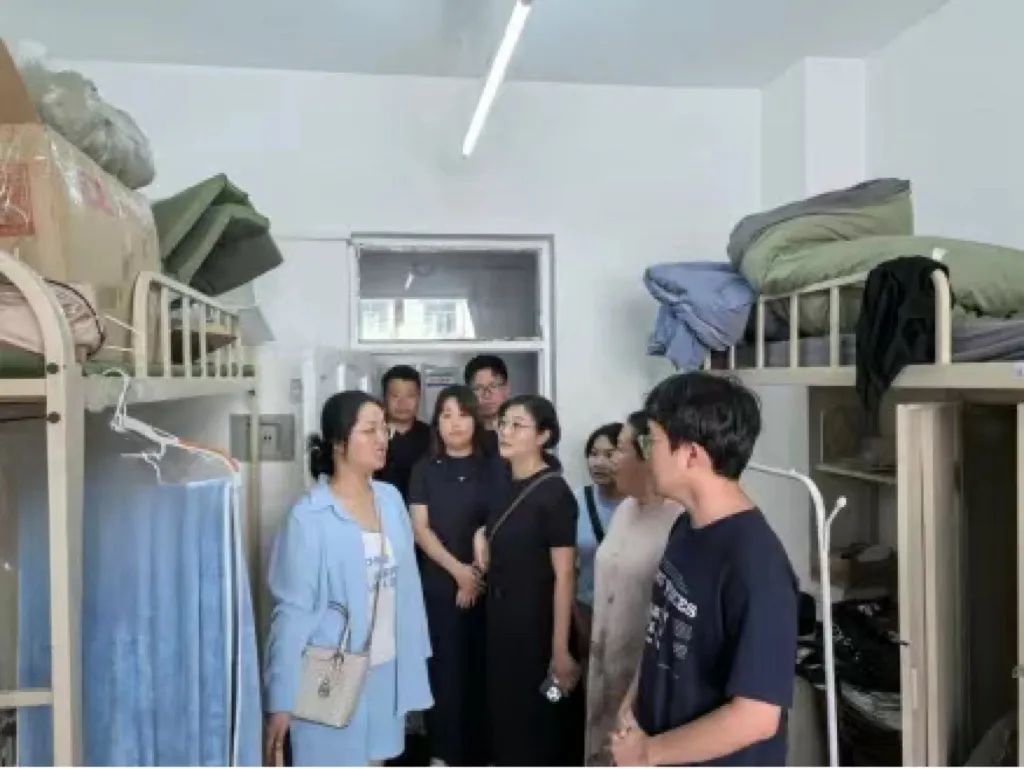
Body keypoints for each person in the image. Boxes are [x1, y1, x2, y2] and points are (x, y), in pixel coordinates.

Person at [611, 373, 798, 767]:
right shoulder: (685, 526)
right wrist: (633, 706)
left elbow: (756, 717)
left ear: (690, 454)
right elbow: (661, 630)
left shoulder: (756, 565)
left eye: (652, 442)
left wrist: (647, 753)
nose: (646, 455)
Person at [263, 391, 433, 767]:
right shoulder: (309, 516)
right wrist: (280, 699)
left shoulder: (390, 499)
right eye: (370, 430)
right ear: (339, 442)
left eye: (385, 429)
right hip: (330, 674)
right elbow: (291, 614)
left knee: (378, 760)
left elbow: (407, 590)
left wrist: (415, 659)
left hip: (386, 669)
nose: (382, 439)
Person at [473, 395, 582, 766]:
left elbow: (564, 574)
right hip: (502, 625)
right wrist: (479, 535)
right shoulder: (506, 483)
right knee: (507, 714)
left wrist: (559, 650)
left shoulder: (554, 494)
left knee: (543, 713)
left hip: (538, 631)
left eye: (517, 425)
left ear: (543, 435)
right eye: (503, 423)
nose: (505, 431)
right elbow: (499, 529)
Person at [407, 385, 501, 766]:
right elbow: (420, 529)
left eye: (462, 414)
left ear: (474, 420)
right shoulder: (425, 469)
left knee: (482, 668)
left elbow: (499, 523)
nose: (454, 423)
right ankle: (442, 753)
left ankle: (482, 753)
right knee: (444, 670)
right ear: (437, 424)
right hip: (439, 583)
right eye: (445, 415)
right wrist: (459, 573)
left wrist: (475, 574)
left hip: (488, 584)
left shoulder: (495, 466)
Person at [584, 412, 681, 766]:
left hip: (642, 678)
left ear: (647, 455)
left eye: (619, 451)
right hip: (602, 666)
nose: (610, 462)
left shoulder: (678, 519)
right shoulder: (625, 509)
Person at [572, 423, 625, 661]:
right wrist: (575, 617)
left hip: (631, 615)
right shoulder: (576, 501)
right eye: (593, 454)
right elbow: (567, 568)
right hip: (586, 610)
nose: (598, 463)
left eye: (609, 454)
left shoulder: (642, 505)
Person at [376, 365, 431, 502]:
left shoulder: (432, 436)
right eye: (395, 396)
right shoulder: (372, 435)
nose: (403, 403)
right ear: (384, 398)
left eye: (410, 396)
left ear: (419, 397)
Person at [463, 355, 510, 453]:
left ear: (506, 389)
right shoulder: (462, 435)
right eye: (478, 388)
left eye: (493, 386)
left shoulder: (519, 434)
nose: (487, 394)